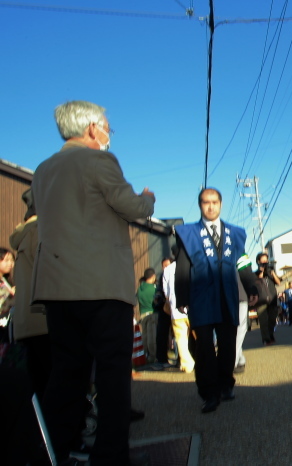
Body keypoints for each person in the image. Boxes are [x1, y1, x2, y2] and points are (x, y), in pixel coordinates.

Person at [31, 100, 155, 465]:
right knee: (113, 375)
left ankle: (52, 451)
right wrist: (147, 197)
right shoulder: (99, 161)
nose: (107, 134)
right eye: (106, 127)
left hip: (56, 288)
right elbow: (132, 207)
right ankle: (111, 457)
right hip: (100, 285)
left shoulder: (42, 170)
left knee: (67, 374)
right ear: (90, 129)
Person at [173, 188, 258, 413]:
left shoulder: (235, 234)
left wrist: (251, 285)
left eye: (214, 202)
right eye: (205, 203)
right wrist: (181, 296)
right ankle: (209, 393)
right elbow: (182, 267)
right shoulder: (188, 234)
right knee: (204, 348)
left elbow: (243, 262)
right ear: (200, 205)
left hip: (227, 295)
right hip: (200, 297)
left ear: (220, 204)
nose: (210, 206)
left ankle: (225, 384)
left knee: (229, 344)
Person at [9, 190, 50, 399]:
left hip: (26, 320)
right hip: (45, 318)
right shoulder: (40, 230)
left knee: (36, 382)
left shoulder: (22, 234)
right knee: (52, 384)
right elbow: (51, 270)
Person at [162, 255, 195, 373]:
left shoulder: (167, 270)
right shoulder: (192, 264)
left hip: (176, 309)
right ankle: (205, 359)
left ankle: (187, 364)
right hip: (193, 307)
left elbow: (166, 292)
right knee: (199, 335)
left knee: (181, 339)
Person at [254, 252, 281, 345]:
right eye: (263, 259)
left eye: (266, 259)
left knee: (272, 319)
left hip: (272, 298)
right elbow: (259, 279)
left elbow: (278, 282)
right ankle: (266, 338)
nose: (265, 261)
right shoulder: (256, 273)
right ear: (258, 261)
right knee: (263, 320)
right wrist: (261, 270)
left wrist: (272, 273)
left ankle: (270, 334)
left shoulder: (271, 271)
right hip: (261, 300)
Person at [136, 268, 158, 364]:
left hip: (142, 314)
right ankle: (153, 357)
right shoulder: (154, 288)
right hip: (152, 313)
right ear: (153, 276)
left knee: (144, 336)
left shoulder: (140, 289)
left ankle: (144, 354)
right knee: (151, 336)